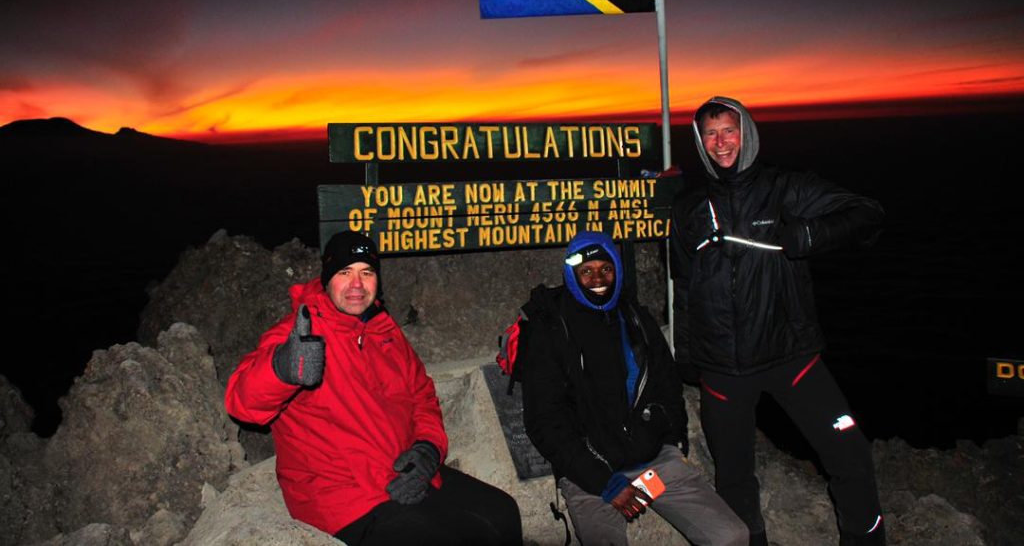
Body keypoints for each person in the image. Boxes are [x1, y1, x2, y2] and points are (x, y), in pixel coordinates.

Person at [669, 96, 886, 546]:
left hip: (792, 358)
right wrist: (689, 357)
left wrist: (809, 234)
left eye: (729, 130)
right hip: (723, 370)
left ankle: (865, 539)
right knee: (733, 478)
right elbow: (683, 288)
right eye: (710, 134)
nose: (721, 142)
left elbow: (867, 214)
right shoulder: (690, 209)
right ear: (699, 141)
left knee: (850, 454)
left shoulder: (785, 187)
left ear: (745, 131)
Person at [225, 230, 523, 545]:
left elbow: (421, 395)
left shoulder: (384, 330)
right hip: (343, 498)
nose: (357, 284)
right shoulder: (299, 334)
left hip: (404, 471)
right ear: (327, 279)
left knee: (502, 512)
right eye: (345, 272)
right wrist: (283, 367)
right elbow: (240, 402)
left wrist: (427, 449)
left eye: (366, 273)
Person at [520, 230, 748, 546]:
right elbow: (544, 420)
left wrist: (673, 439)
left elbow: (668, 383)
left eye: (606, 269)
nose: (598, 278)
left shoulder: (635, 317)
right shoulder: (550, 330)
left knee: (732, 536)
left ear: (617, 269)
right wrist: (601, 480)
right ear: (572, 275)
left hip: (653, 461)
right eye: (586, 272)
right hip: (591, 473)